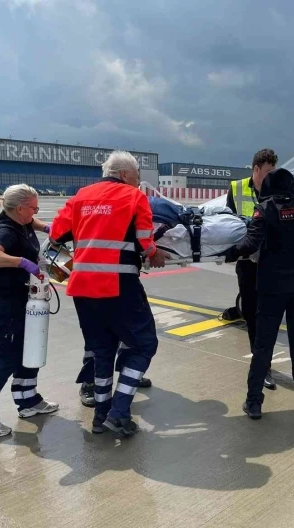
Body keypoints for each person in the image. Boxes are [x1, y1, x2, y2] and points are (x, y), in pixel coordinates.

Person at [49, 150, 167, 437]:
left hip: (83, 288)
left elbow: (56, 233)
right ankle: (119, 411)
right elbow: (143, 239)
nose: (138, 182)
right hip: (119, 286)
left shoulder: (80, 197)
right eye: (137, 177)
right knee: (143, 345)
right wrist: (154, 252)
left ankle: (101, 416)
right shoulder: (133, 196)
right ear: (126, 174)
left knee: (102, 350)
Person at [224, 168, 294, 419]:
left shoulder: (264, 210)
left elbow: (250, 244)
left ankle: (254, 402)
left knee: (263, 346)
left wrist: (228, 253)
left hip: (272, 289)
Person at [0, 184, 59, 438]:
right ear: (20, 208)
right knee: (6, 355)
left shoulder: (22, 221)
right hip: (3, 304)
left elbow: (35, 222)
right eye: (34, 208)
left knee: (29, 347)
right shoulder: (5, 230)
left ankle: (28, 400)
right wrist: (21, 261)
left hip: (21, 302)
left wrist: (49, 228)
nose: (36, 212)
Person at [224, 148, 279, 390]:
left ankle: (263, 363)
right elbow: (227, 222)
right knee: (252, 315)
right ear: (255, 169)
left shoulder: (277, 189)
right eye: (267, 172)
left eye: (273, 172)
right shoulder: (236, 189)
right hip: (247, 263)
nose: (270, 177)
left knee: (267, 316)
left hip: (271, 263)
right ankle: (261, 364)